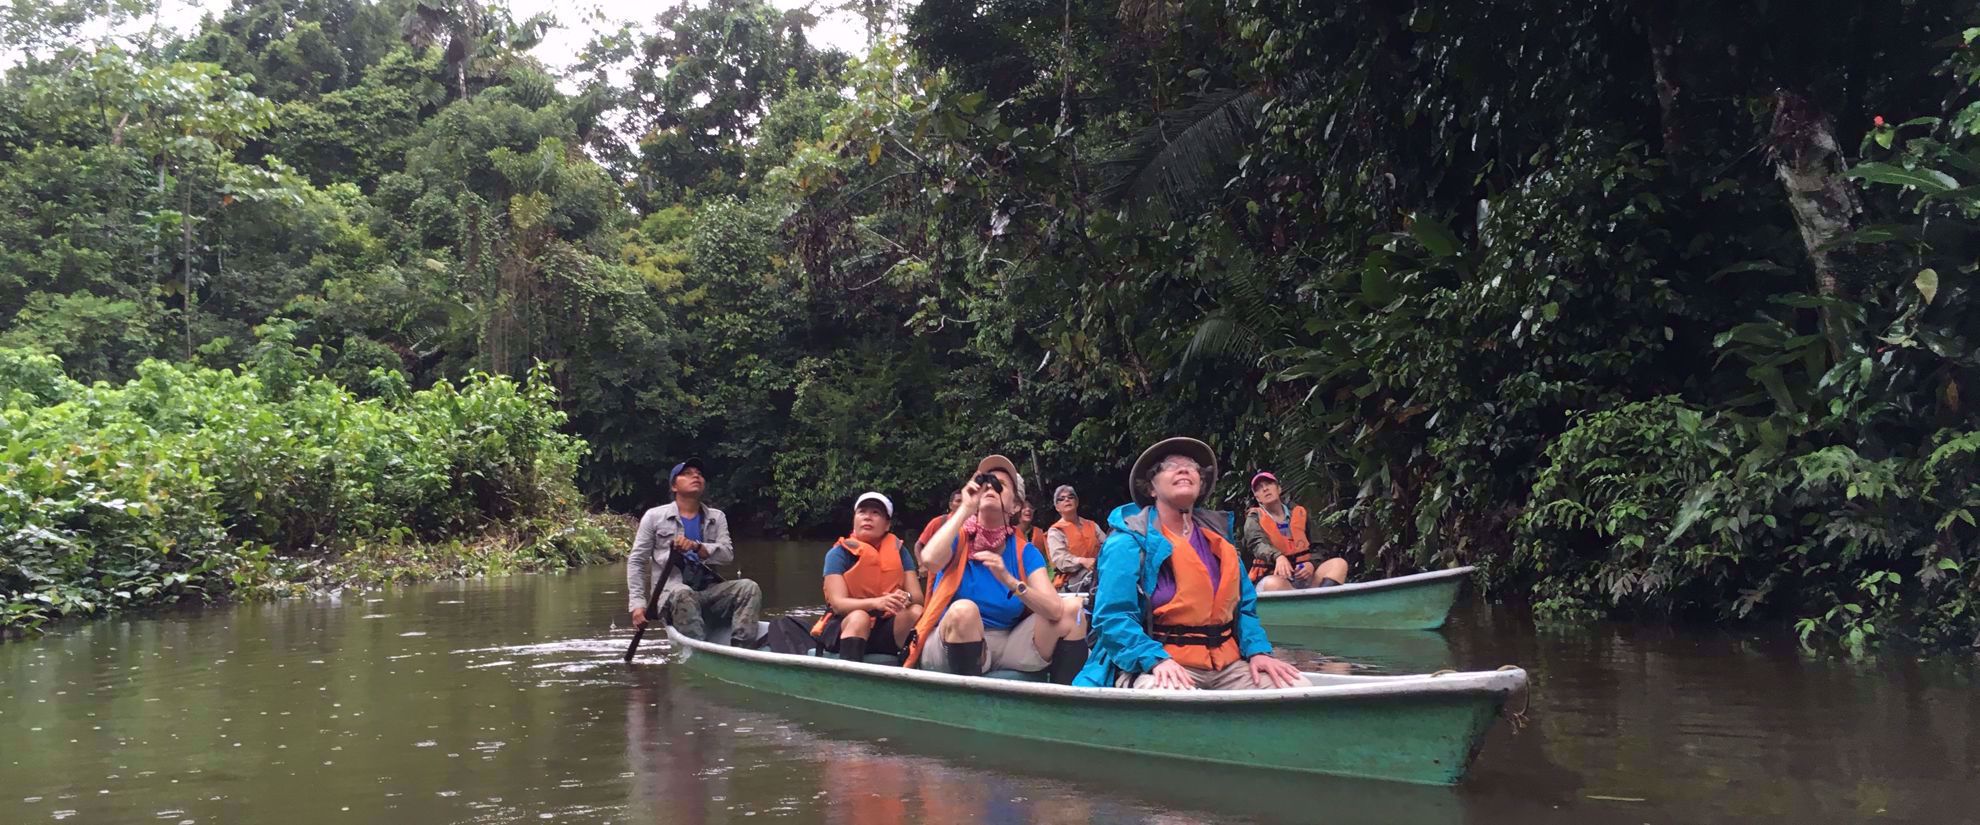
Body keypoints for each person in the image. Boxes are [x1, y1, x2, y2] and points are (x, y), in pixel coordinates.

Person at [1074, 437, 1309, 690]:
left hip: (1226, 665)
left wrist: (1258, 651)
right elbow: (1113, 617)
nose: (1184, 469)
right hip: (1155, 663)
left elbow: (1245, 609)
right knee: (1172, 697)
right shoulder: (1127, 542)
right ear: (1151, 488)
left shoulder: (1218, 541)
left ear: (1200, 484)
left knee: (1299, 686)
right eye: (1170, 465)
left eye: (1192, 466)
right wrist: (1155, 660)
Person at [907, 454, 1087, 683]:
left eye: (1000, 485)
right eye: (985, 483)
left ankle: (1063, 709)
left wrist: (1010, 580)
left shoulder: (1024, 551)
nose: (990, 488)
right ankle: (967, 706)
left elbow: (1054, 609)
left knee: (1073, 610)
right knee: (965, 611)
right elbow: (930, 560)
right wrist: (965, 508)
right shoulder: (958, 536)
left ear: (1015, 506)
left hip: (1006, 641)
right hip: (949, 639)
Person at [626, 458, 762, 646]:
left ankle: (743, 648)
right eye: (687, 474)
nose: (696, 476)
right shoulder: (654, 517)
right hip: (671, 595)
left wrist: (698, 547)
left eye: (699, 473)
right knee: (683, 592)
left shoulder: (717, 517)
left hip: (708, 592)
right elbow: (637, 562)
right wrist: (638, 605)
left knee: (748, 587)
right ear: (674, 486)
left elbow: (727, 555)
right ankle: (699, 650)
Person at [812, 491, 925, 663]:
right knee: (860, 617)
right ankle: (850, 677)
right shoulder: (838, 554)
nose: (868, 517)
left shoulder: (900, 552)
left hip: (884, 628)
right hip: (846, 625)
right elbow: (838, 604)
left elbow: (917, 598)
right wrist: (876, 602)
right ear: (854, 519)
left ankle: (905, 665)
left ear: (887, 525)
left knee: (915, 611)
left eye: (876, 513)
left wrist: (905, 597)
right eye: (862, 512)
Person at [1244, 471, 1350, 591]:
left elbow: (1318, 547)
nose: (1265, 489)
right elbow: (1257, 543)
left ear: (1279, 489)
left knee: (1338, 564)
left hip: (1304, 577)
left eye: (1269, 484)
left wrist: (1311, 563)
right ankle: (1299, 605)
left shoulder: (1299, 513)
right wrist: (1278, 557)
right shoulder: (1254, 518)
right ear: (1257, 498)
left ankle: (1320, 602)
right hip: (1273, 577)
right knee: (1273, 584)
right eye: (1259, 488)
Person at [1045, 484, 1107, 592]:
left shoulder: (1092, 525)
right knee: (1093, 578)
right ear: (1057, 507)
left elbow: (1107, 546)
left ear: (1077, 502)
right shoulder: (1056, 531)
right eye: (1061, 499)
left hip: (1099, 569)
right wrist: (1082, 561)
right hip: (1072, 578)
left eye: (1070, 497)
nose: (1067, 500)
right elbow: (1060, 560)